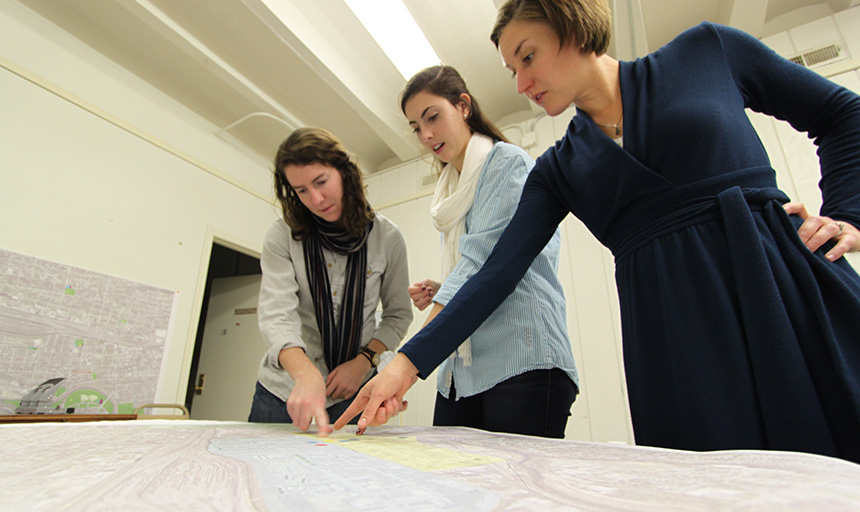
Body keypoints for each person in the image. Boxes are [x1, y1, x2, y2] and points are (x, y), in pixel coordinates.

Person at [336, 0, 860, 464]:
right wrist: (405, 366)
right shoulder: (558, 169)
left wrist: (848, 214)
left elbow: (842, 113)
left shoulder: (707, 50)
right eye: (511, 68)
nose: (520, 83)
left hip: (776, 285)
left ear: (574, 24)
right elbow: (495, 273)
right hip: (673, 338)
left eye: (527, 56)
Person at [399, 65, 579, 438]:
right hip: (463, 370)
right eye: (417, 127)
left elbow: (484, 265)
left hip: (520, 360)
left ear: (463, 106)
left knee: (522, 492)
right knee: (457, 487)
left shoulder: (506, 163)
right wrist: (443, 285)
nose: (426, 134)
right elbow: (471, 265)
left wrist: (403, 364)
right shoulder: (452, 189)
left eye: (432, 117)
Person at [248, 127, 413, 434]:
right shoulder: (282, 235)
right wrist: (305, 372)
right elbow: (277, 315)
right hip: (285, 390)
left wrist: (364, 361)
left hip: (353, 393)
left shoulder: (388, 239)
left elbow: (398, 315)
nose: (316, 198)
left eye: (321, 182)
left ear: (343, 172)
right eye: (301, 190)